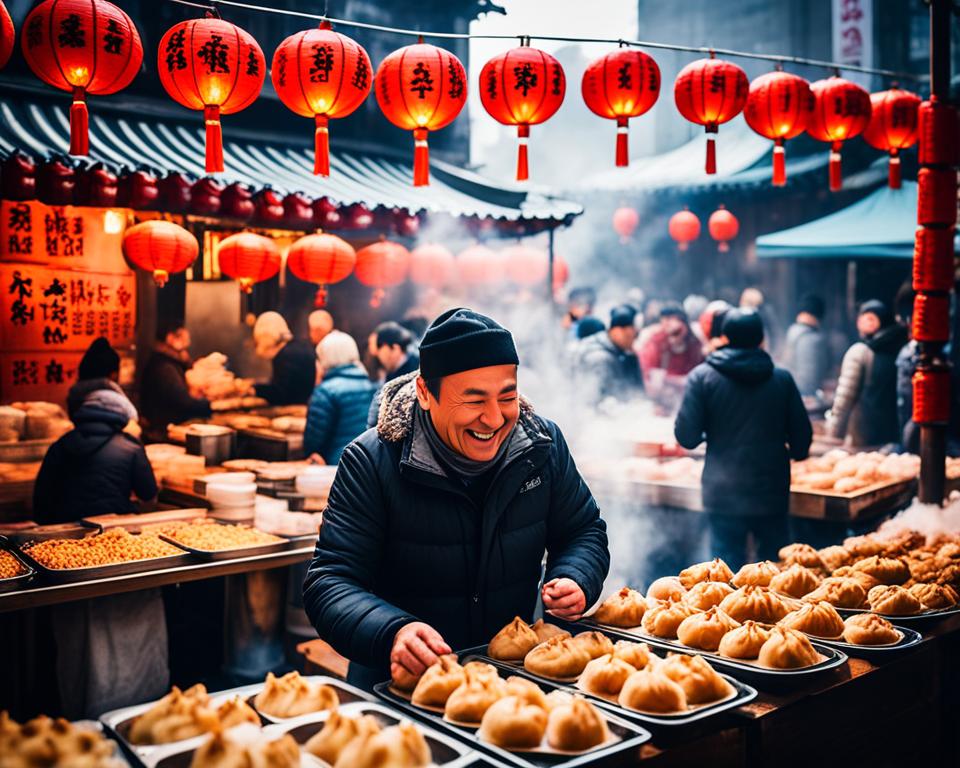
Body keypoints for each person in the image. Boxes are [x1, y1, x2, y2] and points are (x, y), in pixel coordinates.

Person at [303, 308, 610, 689]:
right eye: (474, 400)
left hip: (510, 685)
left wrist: (577, 575)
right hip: (403, 688)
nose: (495, 419)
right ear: (425, 394)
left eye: (507, 396)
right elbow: (330, 581)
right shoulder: (371, 462)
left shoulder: (540, 447)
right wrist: (393, 632)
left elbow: (582, 530)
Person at [674, 310, 812, 568]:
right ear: (762, 339)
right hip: (771, 490)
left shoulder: (702, 377)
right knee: (776, 574)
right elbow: (802, 441)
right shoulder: (781, 379)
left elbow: (687, 437)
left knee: (726, 575)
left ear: (724, 338)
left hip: (722, 492)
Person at [34, 387, 157, 524]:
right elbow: (148, 494)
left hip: (64, 528)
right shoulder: (130, 447)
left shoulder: (60, 445)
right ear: (122, 417)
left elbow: (41, 500)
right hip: (114, 530)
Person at [826, 300, 907, 447]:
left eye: (869, 318)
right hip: (895, 436)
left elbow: (844, 398)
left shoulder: (860, 352)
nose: (862, 323)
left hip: (864, 435)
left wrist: (834, 432)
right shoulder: (904, 350)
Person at [305, 332, 378, 464]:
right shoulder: (371, 385)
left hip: (337, 466)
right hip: (368, 463)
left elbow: (313, 442)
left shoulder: (325, 391)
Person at [139, 322, 212, 442]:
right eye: (183, 341)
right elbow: (182, 401)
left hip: (167, 429)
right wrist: (210, 406)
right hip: (163, 433)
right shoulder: (164, 367)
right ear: (170, 338)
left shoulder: (171, 363)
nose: (186, 349)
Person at [637, 302, 704, 405]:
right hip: (661, 402)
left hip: (690, 400)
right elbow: (648, 379)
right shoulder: (655, 343)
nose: (672, 326)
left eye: (677, 320)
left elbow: (701, 376)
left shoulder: (695, 345)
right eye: (666, 320)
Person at [576, 304, 643, 401]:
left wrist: (632, 360)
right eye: (632, 335)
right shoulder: (599, 358)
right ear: (618, 331)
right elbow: (603, 401)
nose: (634, 340)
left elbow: (633, 390)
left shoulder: (618, 352)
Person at [253, 311, 316, 405]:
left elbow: (280, 394)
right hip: (305, 403)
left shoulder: (285, 355)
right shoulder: (298, 346)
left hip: (294, 407)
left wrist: (254, 390)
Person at [783, 294, 828, 398]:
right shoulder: (810, 339)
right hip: (803, 395)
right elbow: (809, 381)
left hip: (791, 392)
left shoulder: (793, 331)